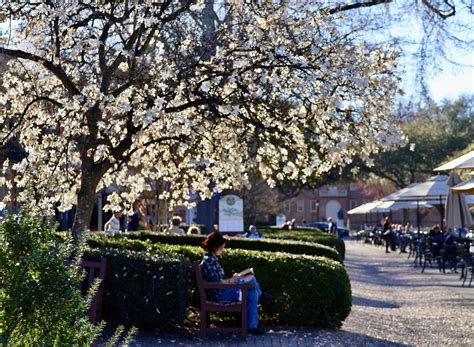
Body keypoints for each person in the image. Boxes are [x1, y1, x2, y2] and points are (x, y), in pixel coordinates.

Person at [200, 232, 265, 335]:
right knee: (253, 290)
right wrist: (232, 279)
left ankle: (251, 326)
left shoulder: (210, 259)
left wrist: (234, 278)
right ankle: (251, 326)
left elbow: (218, 280)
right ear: (214, 247)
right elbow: (218, 283)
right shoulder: (209, 262)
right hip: (218, 294)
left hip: (221, 290)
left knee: (251, 281)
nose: (223, 250)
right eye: (221, 248)